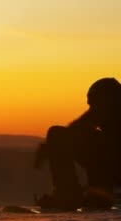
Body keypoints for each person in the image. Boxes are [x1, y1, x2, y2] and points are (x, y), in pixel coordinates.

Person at [34, 77, 121, 210]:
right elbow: (79, 127)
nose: (92, 108)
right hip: (110, 170)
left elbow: (75, 130)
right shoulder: (107, 109)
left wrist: (49, 146)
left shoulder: (109, 108)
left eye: (94, 104)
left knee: (57, 134)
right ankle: (97, 196)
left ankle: (69, 194)